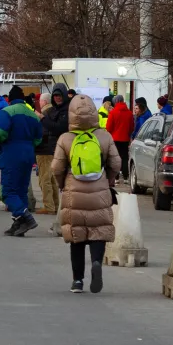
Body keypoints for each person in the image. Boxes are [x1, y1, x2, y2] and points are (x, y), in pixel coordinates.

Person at [53, 94, 123, 294]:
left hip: (73, 193)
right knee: (98, 232)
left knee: (77, 237)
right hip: (99, 191)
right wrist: (108, 179)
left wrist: (62, 184)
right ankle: (96, 263)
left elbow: (57, 168)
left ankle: (77, 281)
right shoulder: (104, 136)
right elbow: (116, 163)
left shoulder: (65, 139)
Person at [0, 86, 44, 235]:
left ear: (10, 99)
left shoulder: (7, 112)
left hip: (11, 153)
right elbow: (38, 138)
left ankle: (26, 218)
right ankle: (19, 225)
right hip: (28, 154)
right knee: (21, 191)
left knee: (8, 192)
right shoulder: (33, 115)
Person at [37, 87, 69, 216]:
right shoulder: (55, 110)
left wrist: (40, 118)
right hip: (53, 148)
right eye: (55, 96)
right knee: (52, 179)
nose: (57, 98)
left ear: (43, 102)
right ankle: (55, 205)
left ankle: (49, 206)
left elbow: (48, 131)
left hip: (45, 148)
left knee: (45, 179)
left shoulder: (46, 113)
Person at [106, 94, 135, 178]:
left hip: (115, 139)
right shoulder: (129, 113)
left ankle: (116, 177)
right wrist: (127, 134)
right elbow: (132, 127)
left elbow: (108, 128)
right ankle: (126, 176)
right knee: (125, 157)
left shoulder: (113, 113)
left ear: (116, 102)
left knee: (115, 158)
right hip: (125, 139)